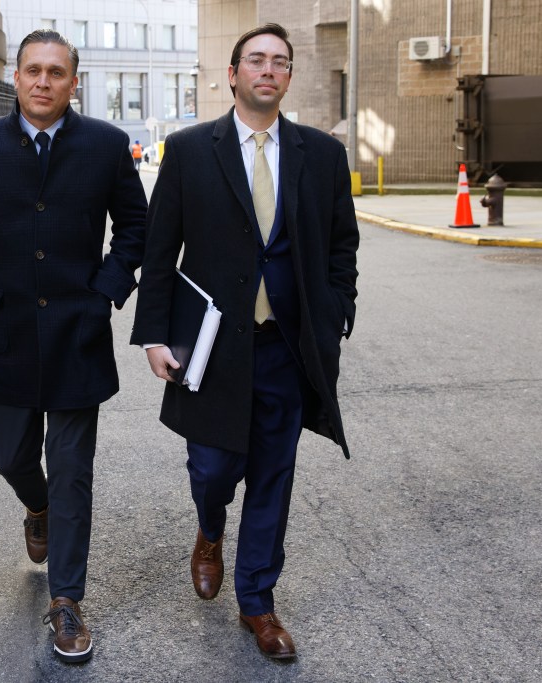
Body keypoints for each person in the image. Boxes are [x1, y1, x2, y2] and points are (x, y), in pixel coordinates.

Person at [130, 23, 359, 659]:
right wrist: (153, 335)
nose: (268, 70)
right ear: (232, 74)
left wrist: (337, 309)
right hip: (210, 346)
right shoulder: (189, 150)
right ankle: (209, 528)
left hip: (288, 346)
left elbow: (343, 244)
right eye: (255, 60)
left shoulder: (322, 155)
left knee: (273, 475)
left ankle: (257, 601)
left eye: (279, 62)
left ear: (289, 77)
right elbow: (160, 248)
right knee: (212, 468)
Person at [0, 29, 147, 664]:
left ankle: (67, 600)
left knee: (75, 471)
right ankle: (36, 503)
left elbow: (137, 228)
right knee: (8, 452)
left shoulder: (105, 146)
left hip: (79, 334)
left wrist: (103, 288)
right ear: (15, 77)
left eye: (56, 72)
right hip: (4, 334)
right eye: (33, 71)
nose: (43, 81)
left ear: (74, 82)